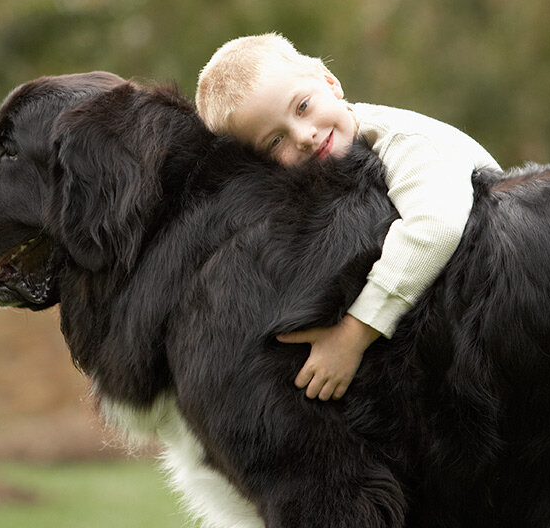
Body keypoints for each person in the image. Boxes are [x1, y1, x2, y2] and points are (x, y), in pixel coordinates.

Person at [195, 33, 501, 401]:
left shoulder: (404, 141)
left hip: (498, 287)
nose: (304, 136)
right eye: (275, 141)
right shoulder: (328, 170)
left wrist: (354, 334)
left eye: (303, 106)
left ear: (330, 82)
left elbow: (436, 226)